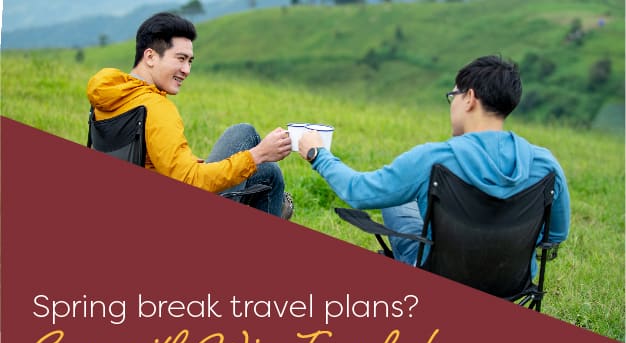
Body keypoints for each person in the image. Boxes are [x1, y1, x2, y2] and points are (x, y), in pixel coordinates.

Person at [298, 55, 570, 276]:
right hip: (512, 281)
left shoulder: (433, 159)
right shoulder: (547, 165)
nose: (452, 105)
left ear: (470, 98)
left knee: (395, 199)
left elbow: (359, 192)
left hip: (440, 276)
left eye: (453, 96)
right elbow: (556, 234)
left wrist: (317, 153)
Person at [86, 12, 293, 218]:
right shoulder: (156, 109)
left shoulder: (107, 97)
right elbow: (190, 181)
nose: (186, 70)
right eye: (180, 59)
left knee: (268, 172)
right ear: (150, 57)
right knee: (246, 136)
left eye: (190, 61)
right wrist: (258, 154)